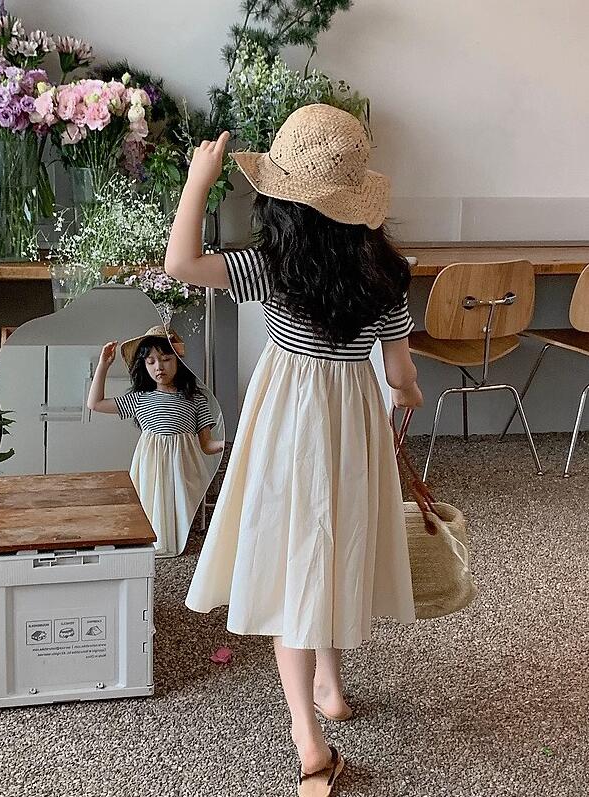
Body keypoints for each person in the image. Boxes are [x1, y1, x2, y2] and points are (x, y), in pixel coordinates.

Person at [165, 104, 423, 794]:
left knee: (295, 561)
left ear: (282, 198)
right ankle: (329, 690)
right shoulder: (387, 272)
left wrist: (198, 180)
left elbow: (181, 262)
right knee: (332, 544)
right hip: (351, 422)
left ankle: (308, 739)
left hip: (286, 421)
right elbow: (400, 372)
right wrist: (407, 392)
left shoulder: (272, 266)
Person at [87, 326, 223, 556]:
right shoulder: (140, 399)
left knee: (179, 506)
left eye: (166, 359)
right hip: (151, 466)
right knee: (154, 504)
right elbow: (95, 403)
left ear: (178, 361)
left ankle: (179, 542)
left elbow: (207, 444)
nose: (159, 367)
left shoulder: (196, 399)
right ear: (144, 366)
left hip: (182, 467)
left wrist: (228, 445)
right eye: (151, 362)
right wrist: (103, 366)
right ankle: (156, 543)